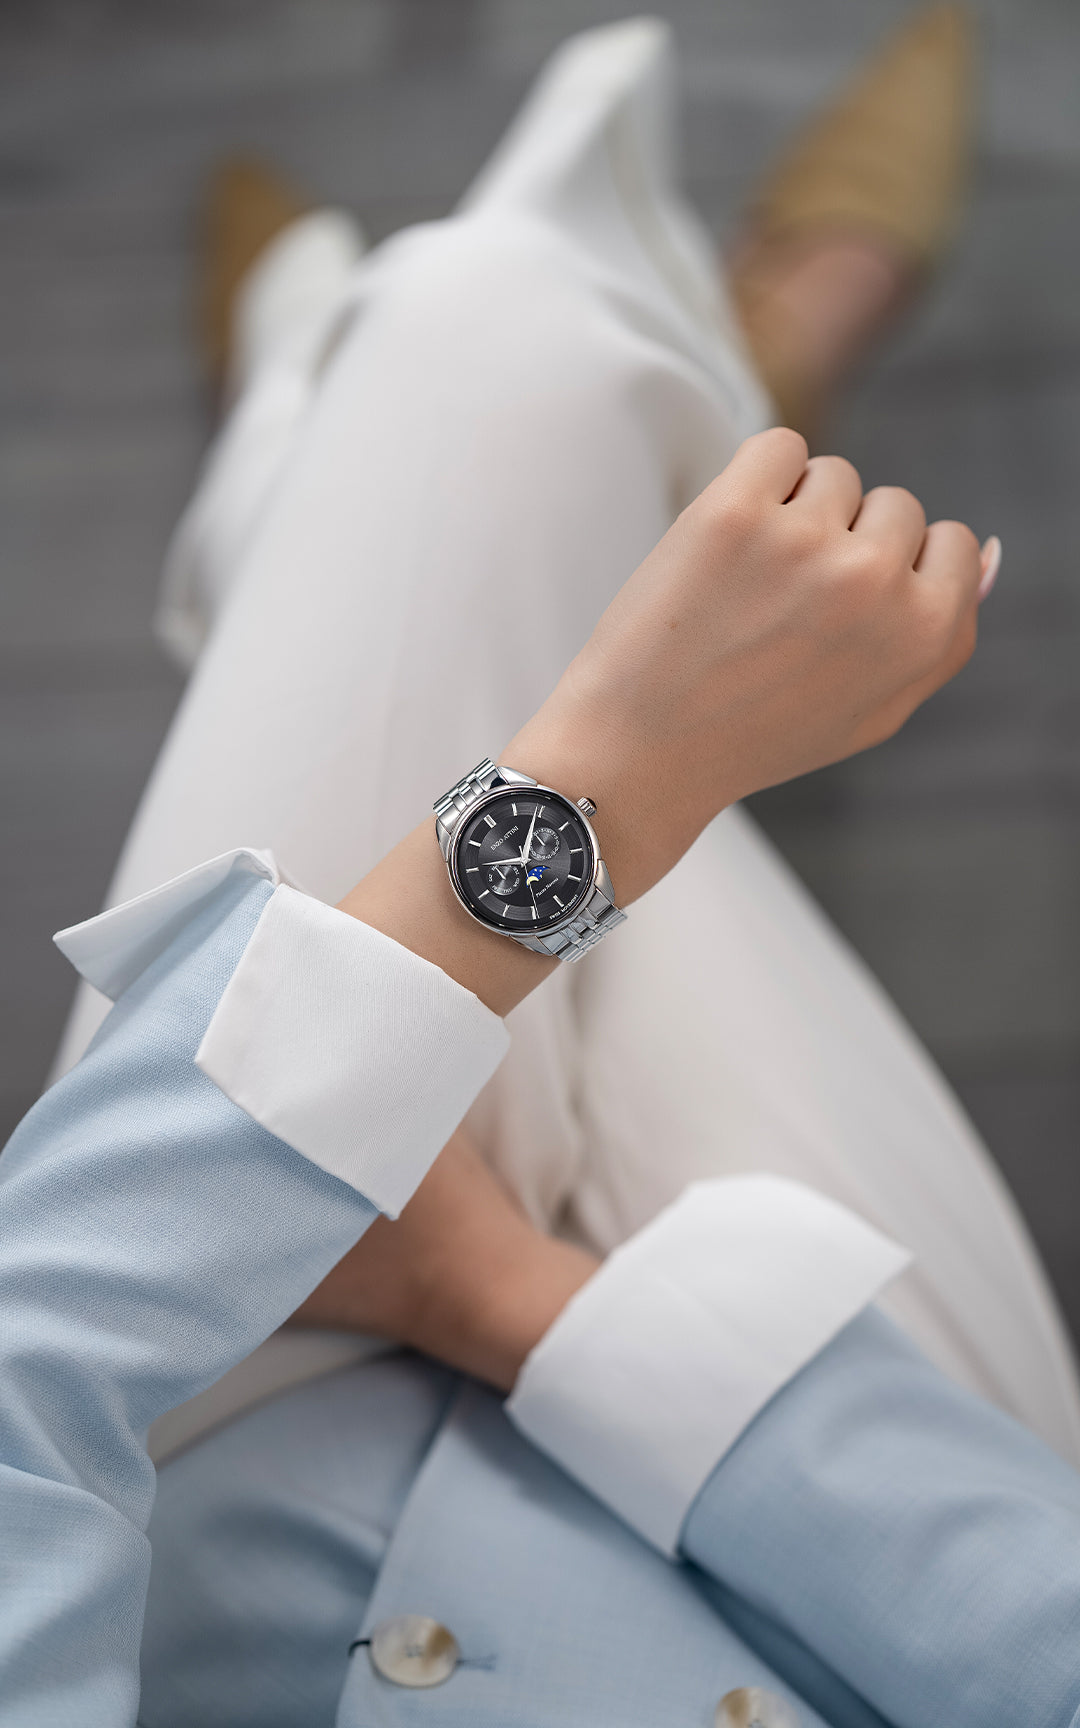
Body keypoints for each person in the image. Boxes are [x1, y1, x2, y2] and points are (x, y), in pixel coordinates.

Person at [6, 13, 1080, 1728]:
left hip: (214, 1390)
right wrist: (510, 1297)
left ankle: (306, 458)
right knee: (497, 339)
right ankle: (683, 410)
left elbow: (27, 1375)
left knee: (477, 328)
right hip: (870, 1500)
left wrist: (612, 785)